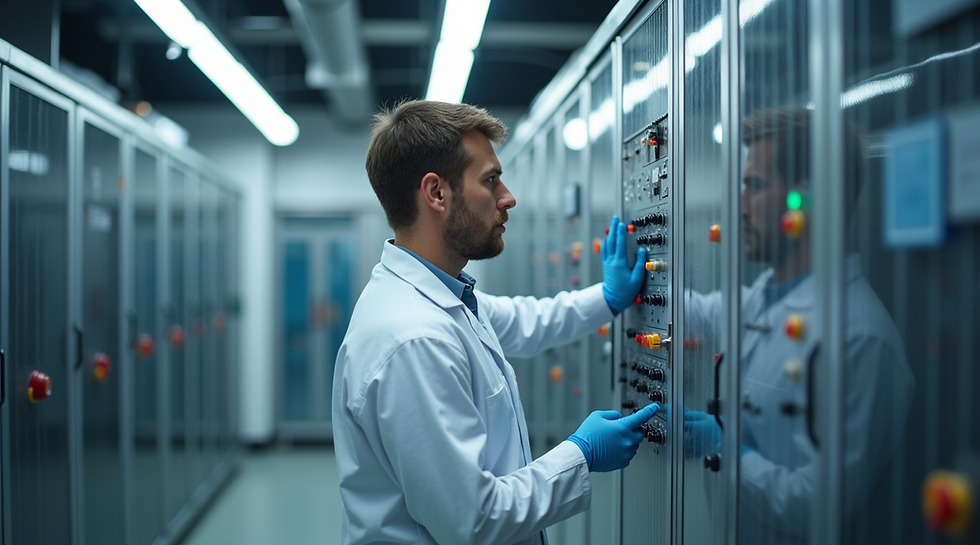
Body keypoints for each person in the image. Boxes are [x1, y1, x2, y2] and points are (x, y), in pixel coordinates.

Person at [333, 100, 659, 545]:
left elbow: (529, 321)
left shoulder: (443, 298)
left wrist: (606, 298)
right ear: (437, 193)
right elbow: (473, 519)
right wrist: (580, 455)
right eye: (491, 180)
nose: (508, 197)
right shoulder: (413, 337)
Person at [682, 106, 915, 544]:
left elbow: (818, 507)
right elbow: (691, 309)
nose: (741, 207)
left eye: (754, 186)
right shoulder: (763, 298)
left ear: (804, 199)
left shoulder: (860, 336)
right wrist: (631, 274)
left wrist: (728, 451)